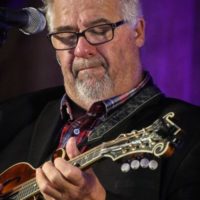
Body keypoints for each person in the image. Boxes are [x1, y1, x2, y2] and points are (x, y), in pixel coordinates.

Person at [0, 0, 200, 200]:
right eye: (66, 35)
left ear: (137, 32)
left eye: (99, 30)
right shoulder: (10, 118)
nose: (80, 50)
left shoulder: (192, 130)